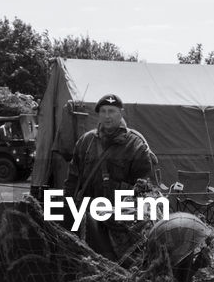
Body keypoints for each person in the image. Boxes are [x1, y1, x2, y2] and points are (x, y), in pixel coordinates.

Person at [63, 93, 157, 261]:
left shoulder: (135, 145)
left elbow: (146, 189)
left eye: (112, 111)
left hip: (122, 220)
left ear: (121, 113)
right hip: (87, 216)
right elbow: (73, 179)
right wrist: (68, 206)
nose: (107, 116)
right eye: (104, 111)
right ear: (98, 114)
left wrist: (124, 212)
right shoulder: (86, 142)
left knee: (123, 265)